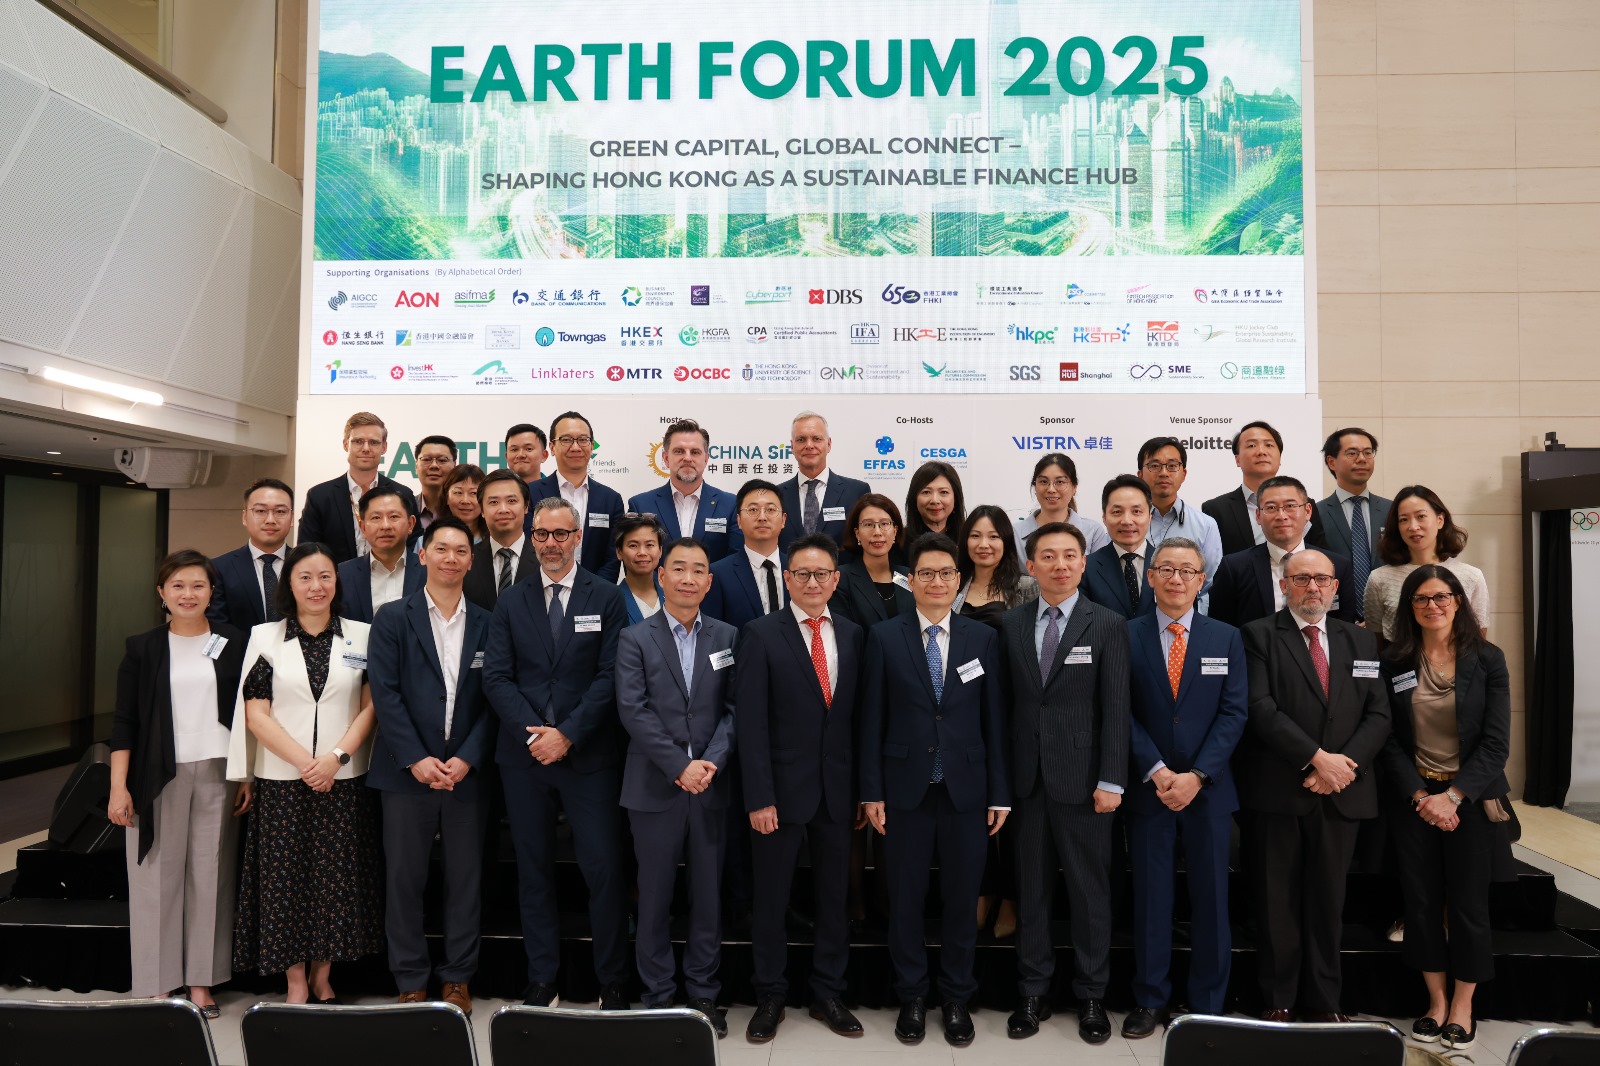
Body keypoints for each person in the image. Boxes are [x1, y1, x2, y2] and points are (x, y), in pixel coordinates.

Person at [861, 533, 1009, 1048]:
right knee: (905, 899)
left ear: (958, 579)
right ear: (911, 580)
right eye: (926, 573)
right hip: (904, 792)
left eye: (946, 573)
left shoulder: (981, 638)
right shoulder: (884, 637)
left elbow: (994, 721)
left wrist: (1000, 792)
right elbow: (871, 721)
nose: (937, 582)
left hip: (967, 791)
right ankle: (912, 996)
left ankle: (956, 998)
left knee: (962, 900)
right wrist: (871, 790)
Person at [483, 497, 631, 1009]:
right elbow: (496, 677)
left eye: (561, 534)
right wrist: (536, 736)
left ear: (578, 537)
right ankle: (542, 977)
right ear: (532, 538)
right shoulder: (511, 600)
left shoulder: (606, 598)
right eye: (542, 534)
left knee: (603, 869)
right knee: (533, 870)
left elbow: (610, 676)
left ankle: (612, 979)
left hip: (588, 757)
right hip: (524, 759)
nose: (551, 544)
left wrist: (566, 733)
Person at [226, 543, 382, 1004]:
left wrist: (335, 758)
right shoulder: (264, 638)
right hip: (282, 780)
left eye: (325, 577)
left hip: (343, 778)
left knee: (335, 881)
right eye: (305, 577)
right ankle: (295, 979)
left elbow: (371, 707)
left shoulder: (362, 636)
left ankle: (322, 975)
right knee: (284, 882)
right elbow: (256, 714)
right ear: (289, 585)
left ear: (338, 582)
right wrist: (305, 763)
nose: (317, 586)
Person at [1239, 548, 1390, 1022]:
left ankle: (1325, 1001)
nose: (1313, 587)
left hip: (1342, 791)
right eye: (1302, 579)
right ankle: (1279, 997)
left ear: (1336, 588)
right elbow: (1260, 708)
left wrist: (1343, 767)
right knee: (1276, 902)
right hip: (1280, 790)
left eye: (1322, 579)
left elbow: (1379, 714)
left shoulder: (1359, 641)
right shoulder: (1258, 635)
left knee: (1329, 901)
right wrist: (1317, 759)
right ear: (1284, 585)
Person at [1003, 522, 1130, 1045]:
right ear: (1030, 566)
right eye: (1048, 556)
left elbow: (1116, 708)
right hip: (1027, 781)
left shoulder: (1108, 624)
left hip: (1085, 782)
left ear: (1083, 563)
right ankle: (1032, 992)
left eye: (1069, 555)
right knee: (1031, 891)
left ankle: (1091, 995)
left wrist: (1112, 779)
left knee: (1089, 891)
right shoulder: (1010, 624)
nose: (1060, 564)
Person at [738, 534, 866, 1043]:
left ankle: (828, 992)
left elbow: (859, 720)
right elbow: (750, 724)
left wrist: (863, 790)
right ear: (787, 579)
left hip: (837, 793)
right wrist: (759, 797)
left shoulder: (854, 634)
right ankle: (770, 993)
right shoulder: (760, 634)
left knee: (834, 898)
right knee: (771, 899)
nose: (813, 583)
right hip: (779, 794)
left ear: (836, 580)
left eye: (822, 574)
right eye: (803, 574)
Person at [109, 550, 249, 1014]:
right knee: (156, 876)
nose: (188, 594)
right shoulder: (143, 647)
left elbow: (250, 711)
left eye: (198, 586)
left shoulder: (231, 640)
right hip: (156, 775)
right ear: (162, 593)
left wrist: (247, 773)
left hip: (218, 771)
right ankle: (157, 981)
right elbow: (124, 722)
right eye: (178, 586)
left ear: (212, 592)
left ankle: (202, 982)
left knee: (211, 874)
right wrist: (118, 786)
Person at [366, 518, 494, 1015]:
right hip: (406, 774)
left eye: (461, 551)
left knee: (465, 880)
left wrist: (468, 757)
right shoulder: (392, 618)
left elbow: (494, 698)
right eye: (441, 549)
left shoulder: (488, 622)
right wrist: (417, 759)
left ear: (471, 561)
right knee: (404, 879)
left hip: (466, 774)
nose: (451, 558)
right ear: (422, 555)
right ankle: (411, 979)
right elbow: (386, 694)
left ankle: (458, 978)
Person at [1379, 566, 1508, 1052]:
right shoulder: (1394, 660)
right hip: (1414, 799)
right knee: (1421, 902)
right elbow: (1388, 740)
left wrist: (1452, 797)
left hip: (1468, 800)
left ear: (1458, 601)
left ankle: (1463, 1005)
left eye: (1441, 597)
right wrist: (1421, 797)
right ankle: (1435, 1001)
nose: (1431, 606)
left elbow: (1496, 743)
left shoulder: (1488, 659)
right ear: (1409, 607)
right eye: (1421, 599)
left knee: (1469, 905)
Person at [1123, 538, 1247, 1037]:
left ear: (1202, 580)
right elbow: (1119, 709)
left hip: (1208, 792)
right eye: (1167, 569)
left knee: (1212, 900)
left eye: (1187, 571)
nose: (1176, 578)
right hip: (1149, 789)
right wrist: (1156, 769)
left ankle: (1207, 1003)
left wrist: (1197, 776)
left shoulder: (1227, 638)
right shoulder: (1124, 634)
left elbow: (1234, 713)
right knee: (1151, 898)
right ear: (1151, 576)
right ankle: (1149, 1000)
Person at [616, 538, 737, 1030]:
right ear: (661, 576)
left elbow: (735, 710)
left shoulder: (728, 636)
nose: (689, 578)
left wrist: (709, 763)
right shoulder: (634, 638)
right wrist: (678, 765)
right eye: (679, 569)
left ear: (710, 582)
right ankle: (659, 996)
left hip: (710, 786)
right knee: (654, 897)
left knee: (708, 897)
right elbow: (633, 710)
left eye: (698, 571)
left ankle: (704, 994)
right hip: (654, 787)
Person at [1209, 476, 1357, 630]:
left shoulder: (1338, 565)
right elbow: (1221, 629)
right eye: (1271, 508)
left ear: (1307, 511)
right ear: (1258, 515)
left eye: (1290, 506)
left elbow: (1344, 629)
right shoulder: (1234, 568)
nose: (1281, 516)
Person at [1365, 485, 1490, 643]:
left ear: (1440, 520)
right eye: (1404, 520)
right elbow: (1375, 640)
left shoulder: (1471, 576)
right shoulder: (1379, 579)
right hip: (1397, 658)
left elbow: (1479, 638)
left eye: (1421, 516)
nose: (1413, 527)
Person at [297, 411, 418, 564]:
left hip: (393, 577)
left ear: (384, 447)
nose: (366, 448)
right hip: (337, 579)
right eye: (358, 441)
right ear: (345, 444)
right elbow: (306, 551)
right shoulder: (319, 496)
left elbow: (414, 547)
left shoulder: (403, 494)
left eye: (373, 442)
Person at [527, 411, 626, 581]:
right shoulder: (530, 493)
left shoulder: (611, 500)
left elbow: (612, 558)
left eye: (583, 440)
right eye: (566, 440)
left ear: (592, 446)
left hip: (596, 593)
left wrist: (595, 591)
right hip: (542, 590)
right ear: (552, 447)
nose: (575, 447)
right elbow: (528, 550)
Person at [1203, 421, 1326, 557]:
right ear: (1237, 459)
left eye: (1269, 445)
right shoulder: (1216, 509)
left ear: (1279, 457)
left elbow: (1319, 555)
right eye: (1252, 445)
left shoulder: (1304, 504)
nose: (1261, 452)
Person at [628, 419, 742, 562]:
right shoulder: (640, 505)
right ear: (666, 458)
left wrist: (702, 576)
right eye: (679, 451)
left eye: (695, 452)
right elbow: (636, 563)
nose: (687, 458)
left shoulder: (731, 505)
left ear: (706, 459)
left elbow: (735, 560)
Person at [1316, 428, 1392, 620]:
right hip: (1336, 620)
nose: (1362, 459)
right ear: (1331, 462)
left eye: (1368, 452)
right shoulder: (1315, 513)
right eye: (1352, 453)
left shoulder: (1392, 510)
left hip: (1388, 619)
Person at [1137, 437, 1223, 600]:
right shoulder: (1128, 525)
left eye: (1172, 466)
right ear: (1140, 475)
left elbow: (1210, 585)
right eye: (1154, 466)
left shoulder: (1206, 525)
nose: (1164, 473)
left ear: (1183, 474)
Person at [209, 478, 294, 633]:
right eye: (260, 511)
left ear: (292, 518)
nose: (270, 520)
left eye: (280, 511)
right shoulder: (218, 569)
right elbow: (217, 627)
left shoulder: (305, 565)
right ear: (244, 517)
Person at [776, 411, 870, 551]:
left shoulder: (857, 492)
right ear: (792, 446)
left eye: (816, 439)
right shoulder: (776, 495)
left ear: (829, 444)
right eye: (801, 439)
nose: (809, 445)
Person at [703, 479, 788, 630]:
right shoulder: (718, 574)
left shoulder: (798, 569)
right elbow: (712, 634)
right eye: (753, 510)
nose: (762, 517)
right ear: (739, 520)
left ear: (783, 520)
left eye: (770, 509)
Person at [337, 486, 423, 624]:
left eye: (394, 517)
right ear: (363, 528)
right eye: (376, 518)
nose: (385, 526)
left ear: (410, 524)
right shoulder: (342, 575)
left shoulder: (430, 571)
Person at [832, 494, 914, 629]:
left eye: (884, 524)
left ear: (895, 531)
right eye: (868, 524)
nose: (877, 532)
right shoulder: (840, 578)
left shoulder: (907, 576)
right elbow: (843, 631)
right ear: (857, 533)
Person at [1081, 474, 1157, 618]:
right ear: (1104, 517)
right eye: (1117, 512)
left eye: (1136, 511)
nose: (1127, 521)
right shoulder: (1086, 569)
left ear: (1150, 517)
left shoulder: (1169, 566)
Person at [463, 470, 536, 612]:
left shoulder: (545, 559)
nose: (503, 509)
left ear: (526, 506)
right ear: (482, 510)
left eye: (511, 501)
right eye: (494, 502)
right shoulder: (466, 559)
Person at [1013, 452, 1109, 558]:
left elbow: (1101, 568)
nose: (1051, 489)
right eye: (1044, 482)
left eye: (1060, 482)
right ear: (1035, 486)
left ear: (1074, 488)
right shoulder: (1014, 533)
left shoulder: (1093, 531)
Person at [615, 512, 666, 624]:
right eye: (633, 545)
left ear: (660, 550)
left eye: (649, 545)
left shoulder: (673, 596)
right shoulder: (611, 601)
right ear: (619, 552)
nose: (642, 552)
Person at [902, 461, 965, 545]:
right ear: (914, 498)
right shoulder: (900, 541)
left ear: (955, 497)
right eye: (926, 492)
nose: (935, 500)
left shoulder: (967, 539)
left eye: (944, 492)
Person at [413, 434, 458, 530]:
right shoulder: (405, 508)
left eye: (442, 460)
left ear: (454, 465)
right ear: (416, 465)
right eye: (426, 459)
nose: (434, 466)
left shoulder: (464, 509)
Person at [442, 463, 488, 542]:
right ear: (447, 497)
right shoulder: (429, 540)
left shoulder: (497, 540)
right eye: (458, 492)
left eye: (473, 493)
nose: (465, 501)